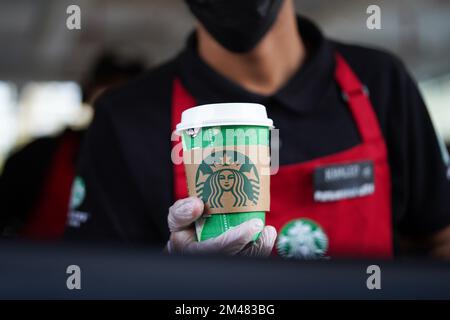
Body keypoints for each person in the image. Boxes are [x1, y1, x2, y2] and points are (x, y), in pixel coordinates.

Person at [64, 0, 450, 259]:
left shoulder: (380, 83)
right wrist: (176, 281)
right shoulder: (126, 117)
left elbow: (439, 239)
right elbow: (93, 280)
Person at [0, 52, 145, 240]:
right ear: (89, 94)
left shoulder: (150, 163)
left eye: (124, 97)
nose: (113, 108)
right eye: (107, 94)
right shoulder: (39, 155)